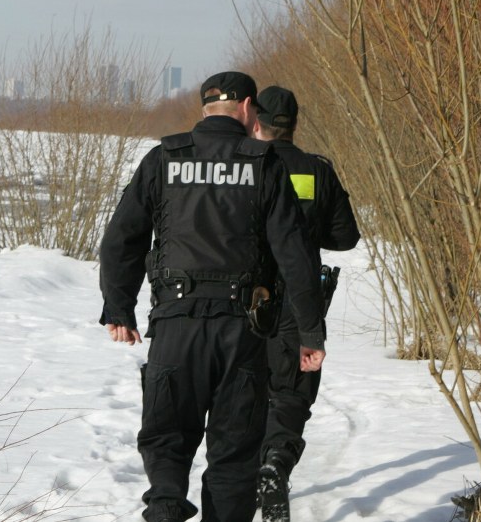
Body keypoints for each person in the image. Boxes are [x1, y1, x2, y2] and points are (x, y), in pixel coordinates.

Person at [98, 71, 328, 522]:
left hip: (175, 326)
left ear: (206, 108)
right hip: (240, 333)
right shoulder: (263, 163)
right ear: (246, 109)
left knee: (167, 436)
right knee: (234, 455)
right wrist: (309, 331)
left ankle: (165, 504)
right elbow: (295, 255)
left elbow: (120, 240)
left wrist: (119, 308)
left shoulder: (164, 157)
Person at [251, 85, 361, 516]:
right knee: (292, 392)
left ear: (256, 120)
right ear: (295, 125)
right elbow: (346, 236)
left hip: (246, 301)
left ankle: (243, 476)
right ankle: (275, 462)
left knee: (245, 390)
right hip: (300, 304)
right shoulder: (316, 170)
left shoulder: (244, 165)